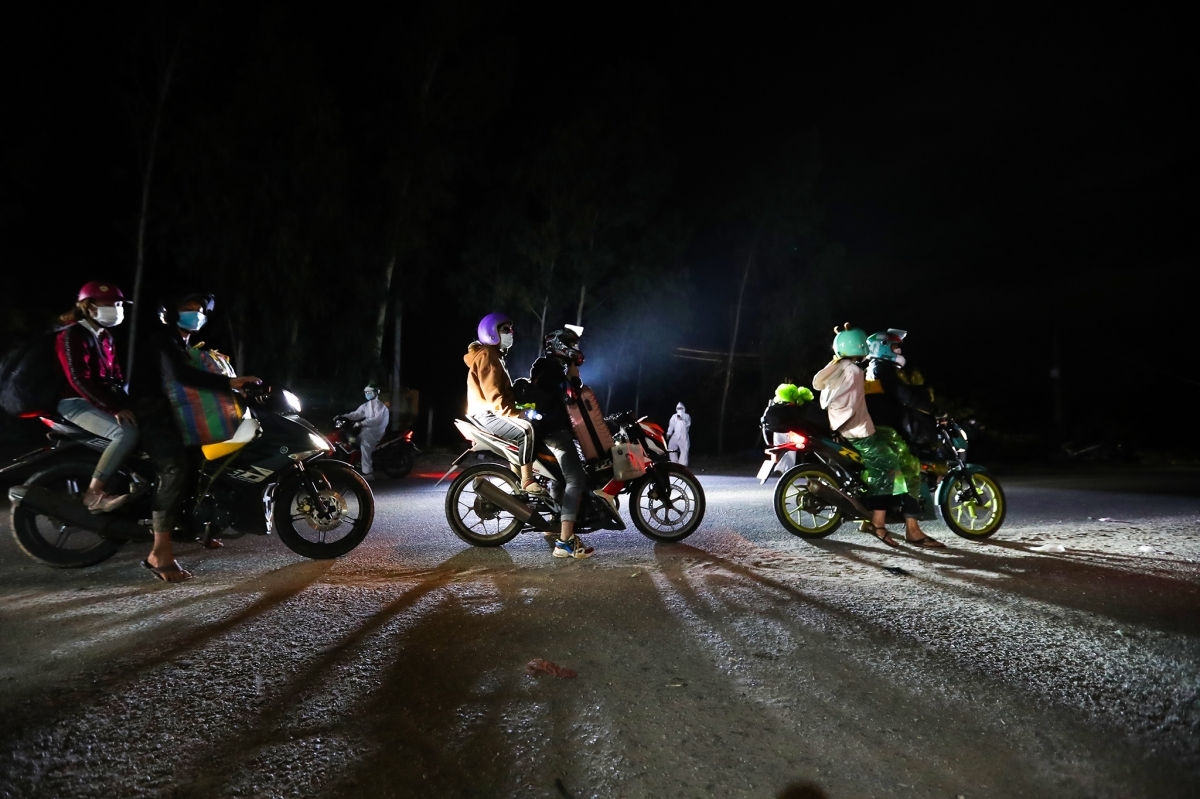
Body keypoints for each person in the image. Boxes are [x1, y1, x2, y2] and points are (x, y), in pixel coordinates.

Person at [123, 290, 263, 581]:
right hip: (153, 415)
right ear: (171, 313)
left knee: (200, 463)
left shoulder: (183, 343)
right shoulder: (164, 341)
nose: (195, 314)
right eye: (188, 308)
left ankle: (198, 527)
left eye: (199, 309)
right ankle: (159, 553)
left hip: (171, 414)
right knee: (175, 469)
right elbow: (183, 378)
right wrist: (230, 383)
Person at [811, 323, 944, 549]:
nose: (899, 350)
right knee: (902, 466)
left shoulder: (840, 368)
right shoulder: (861, 371)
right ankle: (895, 527)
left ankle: (878, 519)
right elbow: (869, 402)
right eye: (895, 347)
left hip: (852, 430)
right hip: (864, 431)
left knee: (891, 464)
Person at [54, 280, 140, 514]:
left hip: (99, 401)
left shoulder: (105, 336)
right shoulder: (73, 335)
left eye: (120, 304)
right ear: (89, 306)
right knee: (125, 432)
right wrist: (114, 409)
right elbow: (78, 379)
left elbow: (116, 378)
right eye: (112, 304)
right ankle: (94, 494)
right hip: (75, 403)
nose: (118, 308)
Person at [528, 327, 596, 559]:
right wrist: (574, 372)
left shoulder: (546, 366)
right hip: (554, 433)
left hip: (547, 430)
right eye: (572, 345)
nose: (576, 349)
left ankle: (555, 521)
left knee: (559, 479)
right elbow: (571, 396)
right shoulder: (554, 370)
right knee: (576, 478)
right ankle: (564, 542)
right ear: (561, 346)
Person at [463, 312, 544, 495]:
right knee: (526, 431)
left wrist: (527, 406)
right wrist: (518, 413)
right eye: (505, 329)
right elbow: (495, 398)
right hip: (486, 413)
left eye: (511, 329)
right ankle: (527, 480)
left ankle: (517, 479)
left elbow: (505, 396)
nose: (510, 333)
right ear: (491, 332)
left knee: (532, 423)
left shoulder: (496, 355)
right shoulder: (487, 356)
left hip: (492, 411)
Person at [759, 382, 815, 475]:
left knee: (783, 446)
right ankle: (785, 469)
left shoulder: (778, 406)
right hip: (790, 433)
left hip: (778, 431)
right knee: (790, 449)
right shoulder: (795, 407)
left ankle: (781, 468)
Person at [338, 382, 390, 481]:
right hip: (367, 430)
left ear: (376, 392)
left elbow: (377, 420)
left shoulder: (381, 407)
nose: (367, 394)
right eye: (366, 392)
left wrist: (362, 423)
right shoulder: (366, 405)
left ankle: (368, 472)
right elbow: (356, 414)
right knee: (352, 441)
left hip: (376, 431)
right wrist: (343, 416)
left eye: (369, 392)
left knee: (365, 445)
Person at [666, 401, 691, 465]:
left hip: (684, 436)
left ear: (683, 408)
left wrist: (682, 418)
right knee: (671, 448)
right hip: (675, 435)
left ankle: (682, 465)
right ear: (676, 409)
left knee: (684, 451)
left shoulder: (687, 416)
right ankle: (674, 463)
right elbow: (671, 425)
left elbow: (688, 424)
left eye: (681, 408)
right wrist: (669, 433)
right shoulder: (674, 416)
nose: (679, 410)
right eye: (678, 408)